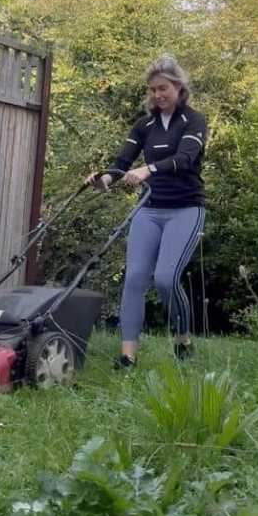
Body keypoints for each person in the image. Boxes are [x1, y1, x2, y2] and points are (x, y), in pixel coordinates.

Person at [87, 55, 208, 369]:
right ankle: (128, 357)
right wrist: (103, 180)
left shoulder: (194, 121)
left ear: (178, 87)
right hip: (150, 210)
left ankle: (183, 340)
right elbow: (122, 162)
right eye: (153, 89)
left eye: (163, 88)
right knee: (136, 278)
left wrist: (148, 169)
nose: (158, 95)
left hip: (185, 209)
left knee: (166, 279)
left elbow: (185, 158)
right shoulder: (144, 126)